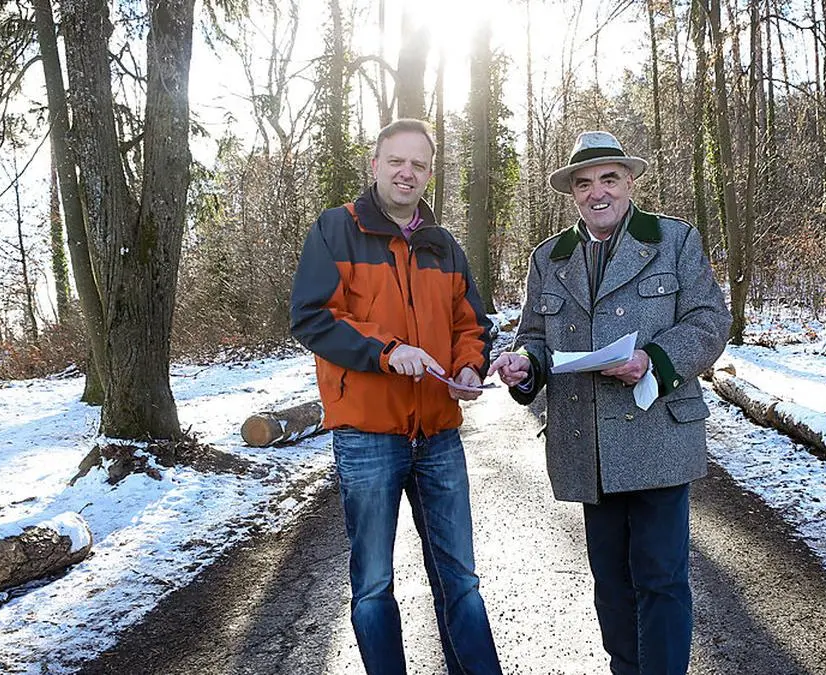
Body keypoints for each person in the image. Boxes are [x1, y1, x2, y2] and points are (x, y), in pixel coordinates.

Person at [488, 130, 731, 674]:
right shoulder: (549, 257)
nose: (598, 192)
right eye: (584, 183)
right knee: (610, 580)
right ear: (572, 192)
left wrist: (653, 360)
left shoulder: (675, 241)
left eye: (609, 179)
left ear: (629, 182)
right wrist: (525, 364)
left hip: (657, 434)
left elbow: (710, 321)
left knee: (661, 577)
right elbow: (534, 336)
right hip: (586, 442)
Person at [290, 119, 502, 675]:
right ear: (375, 165)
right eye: (397, 161)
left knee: (460, 580)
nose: (407, 172)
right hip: (366, 435)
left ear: (430, 174)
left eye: (420, 164)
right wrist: (387, 351)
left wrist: (470, 369)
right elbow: (312, 318)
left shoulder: (445, 245)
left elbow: (471, 325)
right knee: (373, 586)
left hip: (438, 434)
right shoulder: (336, 230)